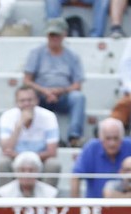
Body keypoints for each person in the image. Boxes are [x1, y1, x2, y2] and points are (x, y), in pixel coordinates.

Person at [22, 18, 86, 146]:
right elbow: (27, 81)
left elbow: (77, 85)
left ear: (64, 35)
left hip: (64, 95)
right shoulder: (36, 53)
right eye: (52, 35)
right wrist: (44, 91)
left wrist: (61, 91)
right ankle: (33, 136)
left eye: (57, 35)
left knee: (78, 97)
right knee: (27, 97)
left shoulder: (72, 56)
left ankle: (74, 136)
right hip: (40, 95)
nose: (54, 38)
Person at [0, 85, 62, 186]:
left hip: (41, 161)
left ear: (37, 101)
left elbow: (52, 152)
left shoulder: (49, 117)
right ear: (16, 102)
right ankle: (6, 200)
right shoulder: (7, 117)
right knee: (2, 163)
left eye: (30, 100)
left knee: (53, 164)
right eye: (22, 101)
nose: (26, 104)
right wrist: (18, 127)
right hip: (15, 160)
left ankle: (48, 200)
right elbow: (5, 150)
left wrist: (27, 159)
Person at [71, 117, 131, 198]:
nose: (112, 143)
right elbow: (76, 176)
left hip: (127, 207)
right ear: (100, 138)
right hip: (97, 206)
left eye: (116, 138)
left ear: (122, 138)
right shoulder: (92, 147)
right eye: (108, 138)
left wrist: (128, 197)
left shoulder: (129, 145)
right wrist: (75, 206)